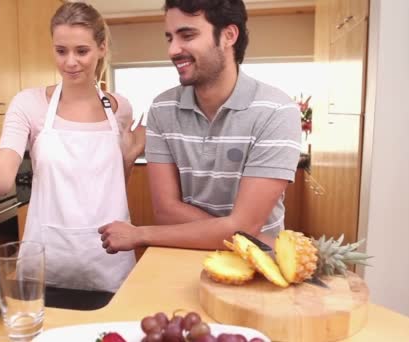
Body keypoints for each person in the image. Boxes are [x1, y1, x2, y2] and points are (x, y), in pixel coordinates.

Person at [99, 0, 301, 253]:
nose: (173, 50)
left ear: (228, 36)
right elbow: (165, 211)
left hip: (256, 266)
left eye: (187, 35)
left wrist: (141, 234)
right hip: (191, 254)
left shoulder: (277, 111)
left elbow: (246, 224)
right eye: (169, 38)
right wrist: (243, 235)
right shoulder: (163, 108)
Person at [0, 2, 145, 292]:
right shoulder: (28, 104)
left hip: (108, 261)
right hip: (45, 263)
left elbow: (113, 186)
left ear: (101, 48)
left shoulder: (120, 108)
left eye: (81, 51)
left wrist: (129, 157)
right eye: (61, 51)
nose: (70, 62)